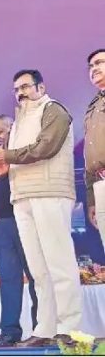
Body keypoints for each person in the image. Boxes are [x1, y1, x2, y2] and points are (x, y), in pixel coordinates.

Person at [0, 69, 81, 347]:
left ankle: (70, 328)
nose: (21, 92)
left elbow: (45, 147)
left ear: (41, 86)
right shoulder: (21, 120)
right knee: (38, 269)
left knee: (59, 263)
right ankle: (45, 328)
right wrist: (3, 168)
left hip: (50, 193)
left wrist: (7, 155)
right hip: (22, 198)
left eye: (25, 86)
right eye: (16, 89)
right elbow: (16, 159)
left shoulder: (54, 110)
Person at [0, 115, 38, 347]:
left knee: (37, 275)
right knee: (8, 278)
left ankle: (42, 327)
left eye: (1, 131)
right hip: (3, 223)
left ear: (12, 130)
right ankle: (9, 331)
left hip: (25, 217)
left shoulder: (23, 153)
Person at [84, 49, 105, 252]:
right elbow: (91, 156)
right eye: (91, 66)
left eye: (99, 63)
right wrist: (92, 199)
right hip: (100, 184)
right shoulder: (93, 106)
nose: (94, 68)